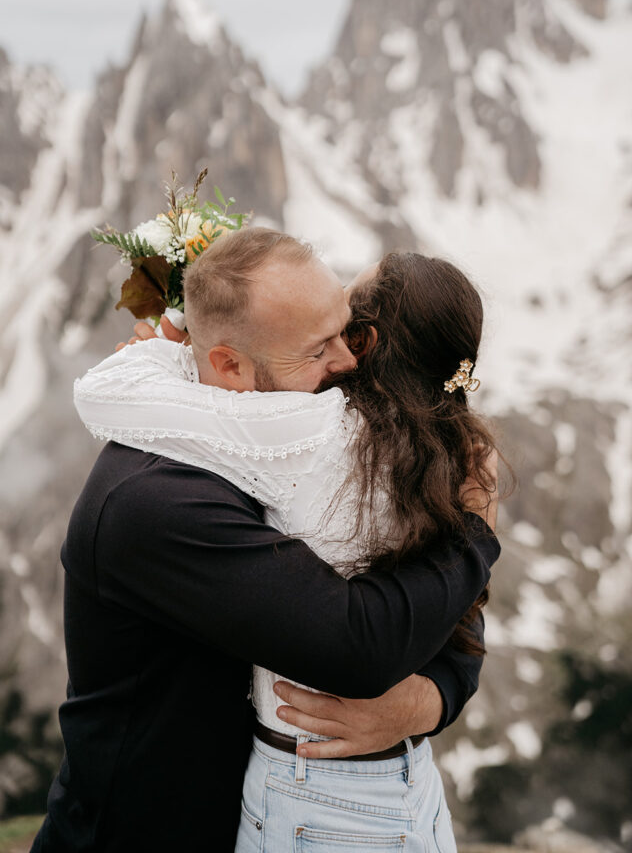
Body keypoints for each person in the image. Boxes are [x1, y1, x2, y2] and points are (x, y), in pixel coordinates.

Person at [69, 230, 500, 851]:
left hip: (321, 799)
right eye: (321, 345)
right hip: (155, 830)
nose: (347, 361)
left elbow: (429, 602)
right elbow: (382, 631)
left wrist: (424, 701)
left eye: (346, 330)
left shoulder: (318, 432)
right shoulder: (157, 498)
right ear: (231, 364)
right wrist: (476, 533)